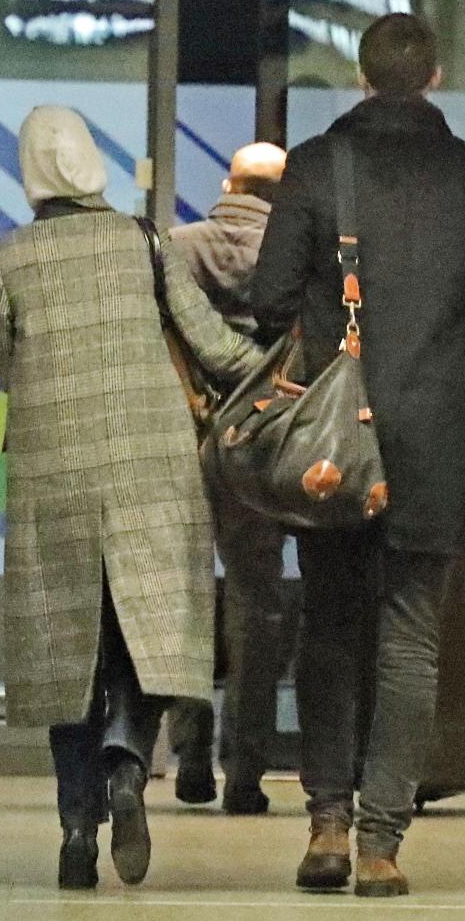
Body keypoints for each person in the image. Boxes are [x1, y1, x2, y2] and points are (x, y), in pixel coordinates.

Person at [251, 14, 465, 897]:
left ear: (360, 76)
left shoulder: (313, 165)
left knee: (329, 628)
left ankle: (325, 826)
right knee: (411, 643)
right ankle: (383, 845)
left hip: (331, 448)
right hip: (434, 443)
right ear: (435, 76)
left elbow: (271, 299)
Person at [0, 106, 264, 890]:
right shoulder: (143, 239)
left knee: (67, 652)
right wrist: (284, 374)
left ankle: (77, 832)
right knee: (151, 633)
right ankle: (129, 762)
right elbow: (209, 343)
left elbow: (8, 366)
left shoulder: (7, 258)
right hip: (151, 466)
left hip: (54, 473)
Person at [167, 142, 292, 815]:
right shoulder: (299, 255)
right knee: (258, 603)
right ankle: (247, 772)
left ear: (229, 184)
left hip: (189, 439)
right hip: (263, 446)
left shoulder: (179, 248)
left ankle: (190, 754)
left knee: (189, 594)